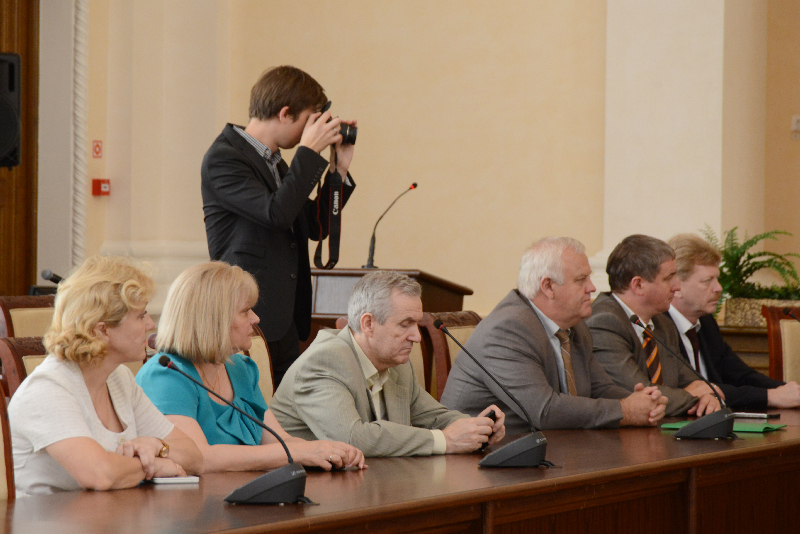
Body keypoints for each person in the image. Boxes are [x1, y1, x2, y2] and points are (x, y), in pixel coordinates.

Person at [201, 65, 357, 387]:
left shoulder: (277, 163)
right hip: (246, 315)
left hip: (284, 316)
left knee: (287, 411)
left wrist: (337, 172)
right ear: (286, 114)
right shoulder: (225, 158)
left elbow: (315, 226)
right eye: (309, 121)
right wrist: (308, 152)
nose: (309, 132)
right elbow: (276, 213)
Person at [135, 261, 365, 472]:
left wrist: (331, 450)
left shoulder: (241, 368)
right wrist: (297, 452)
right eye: (245, 311)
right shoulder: (165, 374)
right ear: (213, 319)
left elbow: (280, 441)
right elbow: (201, 458)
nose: (256, 318)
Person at [9, 256, 203, 496]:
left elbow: (194, 456)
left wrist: (156, 446)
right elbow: (100, 474)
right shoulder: (47, 389)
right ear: (101, 330)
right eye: (141, 316)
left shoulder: (118, 377)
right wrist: (155, 465)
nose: (151, 324)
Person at [440, 237, 667, 434]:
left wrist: (643, 401)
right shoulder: (507, 330)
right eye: (581, 280)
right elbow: (544, 411)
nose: (592, 288)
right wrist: (625, 410)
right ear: (548, 286)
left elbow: (600, 389)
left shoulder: (574, 325)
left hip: (552, 449)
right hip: (484, 459)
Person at [270, 271, 506, 457]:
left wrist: (477, 427)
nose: (416, 336)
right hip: (311, 498)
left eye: (417, 324)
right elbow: (352, 438)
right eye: (406, 324)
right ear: (368, 324)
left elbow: (434, 417)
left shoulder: (397, 364)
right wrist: (445, 440)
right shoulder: (324, 362)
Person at [586, 234, 721, 417]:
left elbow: (698, 384)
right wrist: (692, 396)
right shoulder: (603, 322)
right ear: (638, 285)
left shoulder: (662, 323)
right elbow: (640, 395)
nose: (676, 286)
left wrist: (708, 395)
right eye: (669, 278)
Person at [664, 233, 800, 410]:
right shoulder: (659, 327)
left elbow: (741, 374)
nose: (719, 288)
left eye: (717, 278)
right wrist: (770, 396)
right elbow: (698, 390)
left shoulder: (706, 323)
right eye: (707, 281)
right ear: (677, 287)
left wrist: (786, 390)